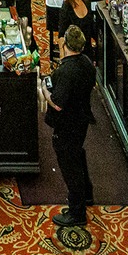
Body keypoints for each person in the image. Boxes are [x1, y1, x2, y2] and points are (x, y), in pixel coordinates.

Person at [45, 24, 98, 230]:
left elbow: (57, 103)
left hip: (68, 123)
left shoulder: (67, 70)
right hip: (82, 119)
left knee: (70, 165)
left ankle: (77, 212)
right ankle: (86, 195)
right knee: (77, 154)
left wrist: (45, 92)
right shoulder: (86, 63)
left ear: (65, 44)